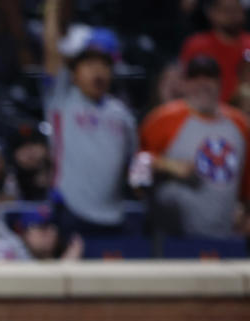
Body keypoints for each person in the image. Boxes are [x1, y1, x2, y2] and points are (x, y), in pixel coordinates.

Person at [43, 0, 137, 239]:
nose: (98, 71)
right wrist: (52, 9)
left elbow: (133, 164)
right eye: (90, 64)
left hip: (114, 216)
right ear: (74, 74)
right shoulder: (63, 99)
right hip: (72, 214)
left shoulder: (122, 113)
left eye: (105, 65)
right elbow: (53, 53)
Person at [134, 56, 250, 239]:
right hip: (172, 239)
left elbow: (246, 185)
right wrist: (165, 164)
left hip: (225, 240)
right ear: (185, 84)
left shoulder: (241, 125)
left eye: (209, 77)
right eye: (195, 77)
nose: (203, 83)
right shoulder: (161, 119)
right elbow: (136, 175)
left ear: (220, 83)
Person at [180, 0, 250, 102]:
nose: (232, 15)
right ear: (212, 13)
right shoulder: (197, 45)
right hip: (204, 109)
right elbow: (184, 82)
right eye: (226, 10)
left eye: (236, 10)